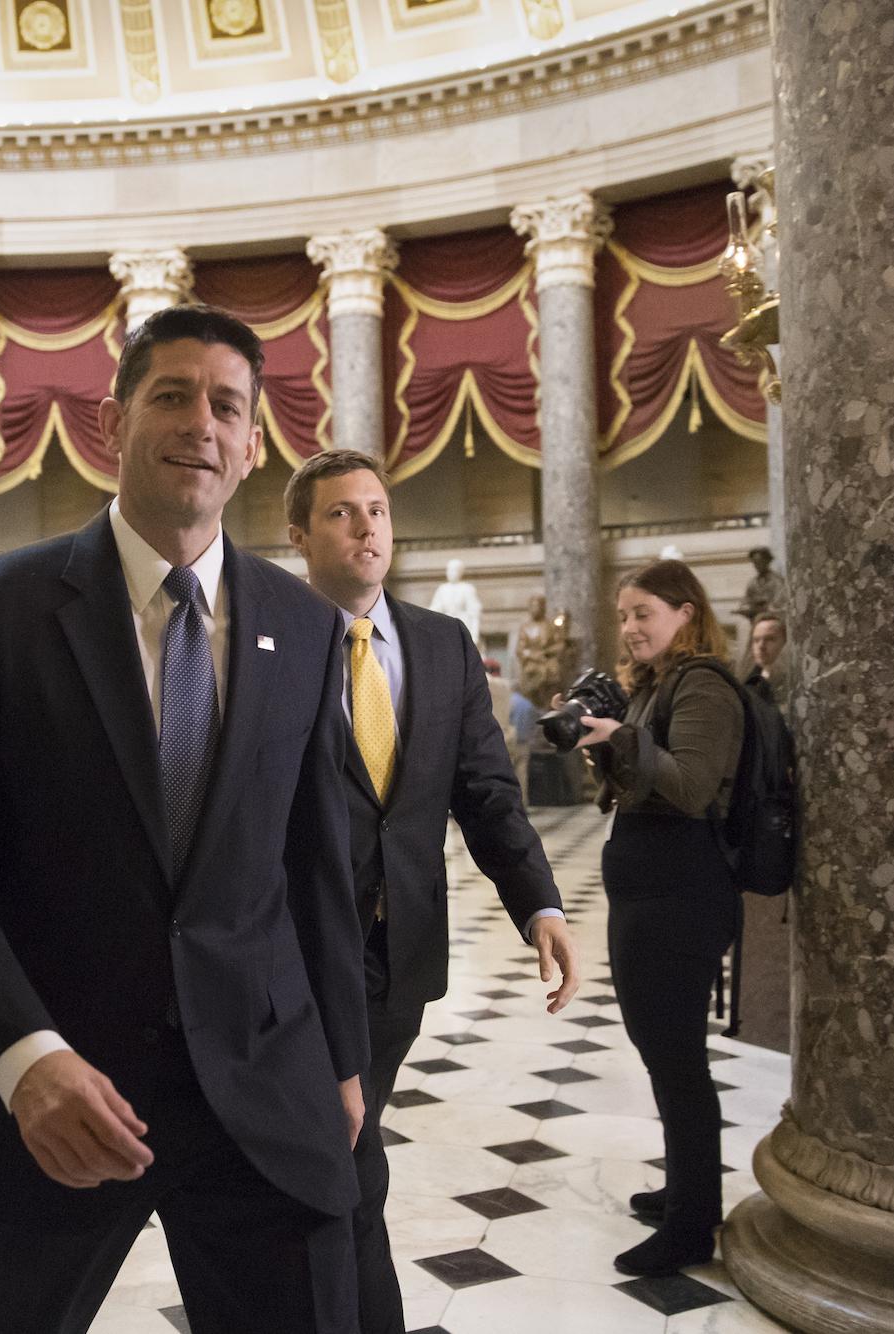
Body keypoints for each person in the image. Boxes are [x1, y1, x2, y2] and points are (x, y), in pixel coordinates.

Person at [0, 304, 367, 1333]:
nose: (199, 423)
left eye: (225, 404)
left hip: (261, 1092)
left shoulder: (304, 626)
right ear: (114, 419)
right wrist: (20, 1054)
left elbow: (318, 861)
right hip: (63, 1095)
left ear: (252, 442)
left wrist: (345, 1062)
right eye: (170, 395)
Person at [285, 448, 579, 1334]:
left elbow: (485, 790)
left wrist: (540, 903)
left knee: (346, 1148)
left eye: (375, 509)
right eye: (341, 513)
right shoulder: (266, 640)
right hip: (297, 956)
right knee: (338, 1157)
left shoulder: (443, 645)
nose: (366, 526)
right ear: (299, 535)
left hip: (398, 953)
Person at [569, 558, 745, 1277]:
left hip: (682, 897)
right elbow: (639, 787)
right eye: (624, 615)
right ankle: (685, 1188)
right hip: (650, 895)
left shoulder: (702, 685)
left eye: (645, 612)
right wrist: (603, 742)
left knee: (678, 1059)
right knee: (662, 1051)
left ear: (685, 614)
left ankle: (692, 1225)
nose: (631, 627)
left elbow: (693, 788)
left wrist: (623, 738)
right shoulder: (658, 688)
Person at [745, 611, 792, 712]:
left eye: (770, 639)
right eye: (756, 640)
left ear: (785, 642)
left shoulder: (792, 683)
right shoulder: (749, 683)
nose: (761, 646)